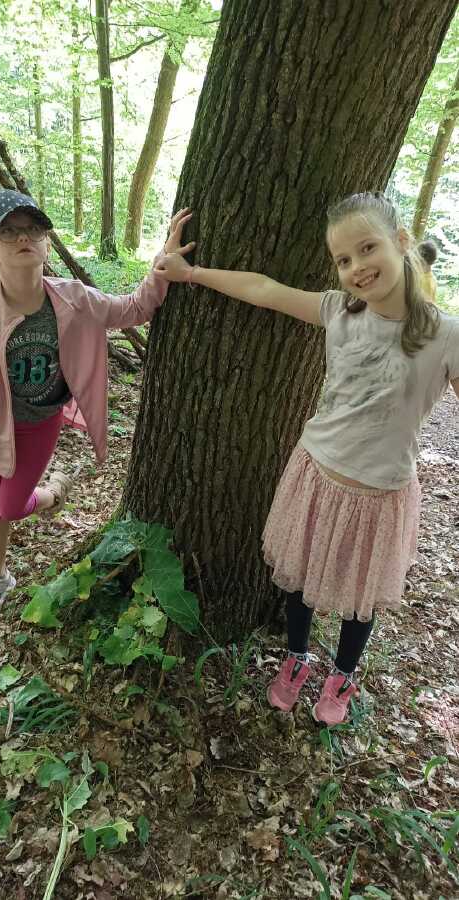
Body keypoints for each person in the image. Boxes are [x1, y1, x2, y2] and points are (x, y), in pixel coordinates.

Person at [155, 191, 459, 726]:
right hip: (315, 475)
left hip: (381, 493)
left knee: (360, 593)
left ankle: (343, 674)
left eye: (368, 248)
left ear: (400, 241)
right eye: (343, 259)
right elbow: (264, 290)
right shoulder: (339, 311)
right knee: (298, 578)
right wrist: (191, 273)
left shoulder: (446, 335)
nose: (357, 266)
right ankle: (296, 657)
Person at [0, 190, 194, 628]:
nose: (23, 238)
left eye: (33, 229)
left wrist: (163, 262)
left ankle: (52, 493)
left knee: (10, 505)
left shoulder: (73, 298)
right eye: (8, 232)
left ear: (46, 243)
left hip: (39, 423)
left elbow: (134, 308)